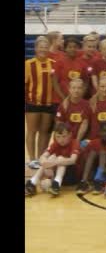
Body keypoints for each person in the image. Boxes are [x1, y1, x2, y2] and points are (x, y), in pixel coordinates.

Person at [25, 122, 81, 197]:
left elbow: (72, 160)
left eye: (64, 136)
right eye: (58, 137)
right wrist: (45, 162)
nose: (61, 140)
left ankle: (56, 184)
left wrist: (53, 163)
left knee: (60, 158)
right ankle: (32, 183)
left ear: (70, 135)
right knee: (51, 158)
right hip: (61, 174)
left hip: (73, 176)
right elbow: (42, 157)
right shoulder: (55, 144)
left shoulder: (75, 143)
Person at [25, 37, 57, 168]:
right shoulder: (28, 64)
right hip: (33, 103)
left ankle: (40, 158)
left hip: (49, 104)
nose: (43, 49)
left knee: (44, 132)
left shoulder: (54, 63)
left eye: (45, 46)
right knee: (32, 131)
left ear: (48, 48)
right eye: (41, 46)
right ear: (36, 48)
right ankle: (32, 159)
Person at [77, 121, 106, 195]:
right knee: (94, 152)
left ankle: (99, 181)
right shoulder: (93, 143)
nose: (105, 134)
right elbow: (86, 159)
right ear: (99, 132)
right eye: (103, 131)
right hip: (93, 172)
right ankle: (84, 181)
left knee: (103, 153)